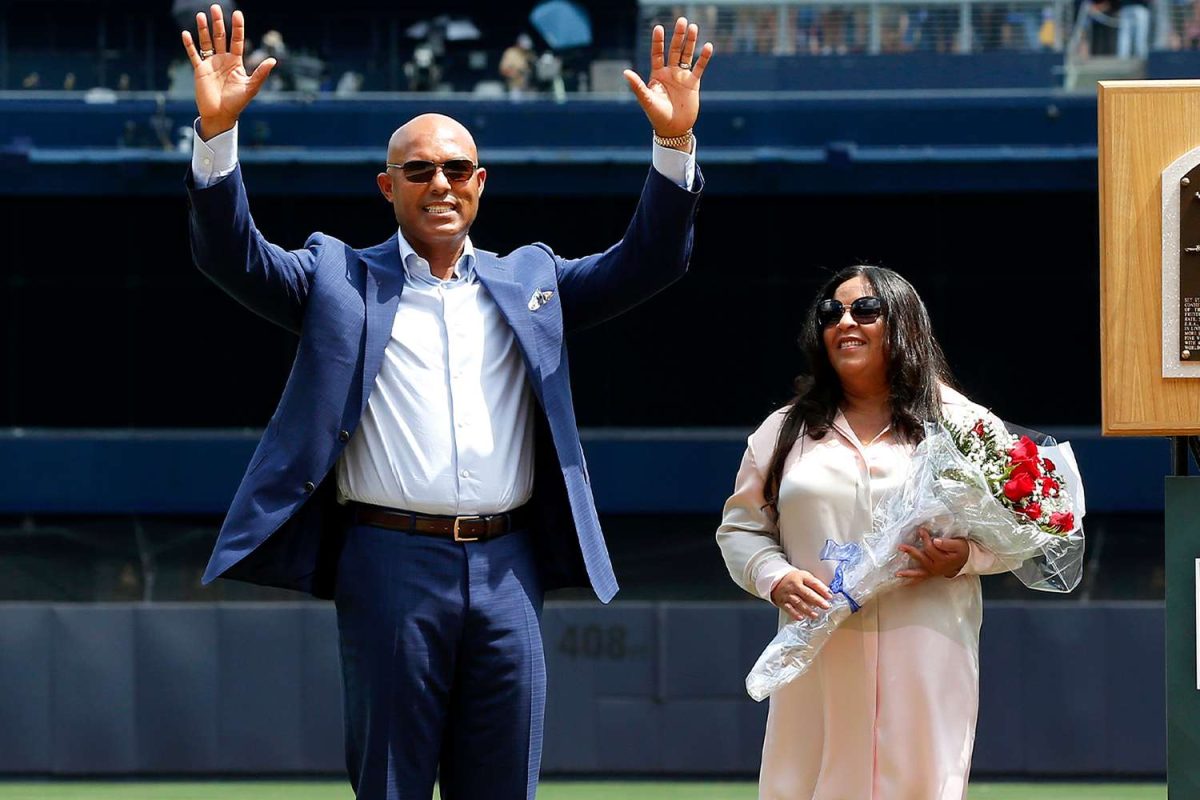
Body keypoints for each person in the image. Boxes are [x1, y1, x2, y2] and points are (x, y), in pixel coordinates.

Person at [179, 5, 712, 799]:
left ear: (480, 184)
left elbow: (649, 263)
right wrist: (217, 138)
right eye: (420, 170)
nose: (440, 184)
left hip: (509, 568)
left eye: (457, 169)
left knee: (502, 786)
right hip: (389, 561)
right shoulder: (338, 277)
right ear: (387, 185)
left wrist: (672, 148)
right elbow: (234, 258)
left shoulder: (532, 279)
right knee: (390, 782)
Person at [716, 266, 1008, 799]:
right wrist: (774, 576)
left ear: (904, 324)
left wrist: (965, 556)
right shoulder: (784, 431)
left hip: (926, 646)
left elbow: (1021, 527)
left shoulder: (963, 425)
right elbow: (740, 529)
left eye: (865, 309)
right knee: (804, 781)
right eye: (832, 312)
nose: (845, 321)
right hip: (820, 651)